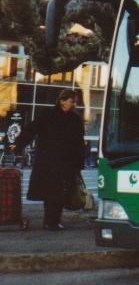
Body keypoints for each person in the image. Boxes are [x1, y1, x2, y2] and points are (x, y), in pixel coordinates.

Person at [9, 89, 85, 230]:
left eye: (75, 101)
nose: (75, 104)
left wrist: (79, 163)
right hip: (49, 162)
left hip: (64, 163)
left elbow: (79, 143)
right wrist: (19, 145)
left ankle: (53, 220)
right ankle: (51, 221)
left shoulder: (75, 119)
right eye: (72, 101)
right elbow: (30, 130)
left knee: (60, 193)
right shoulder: (48, 115)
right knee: (52, 193)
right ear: (62, 101)